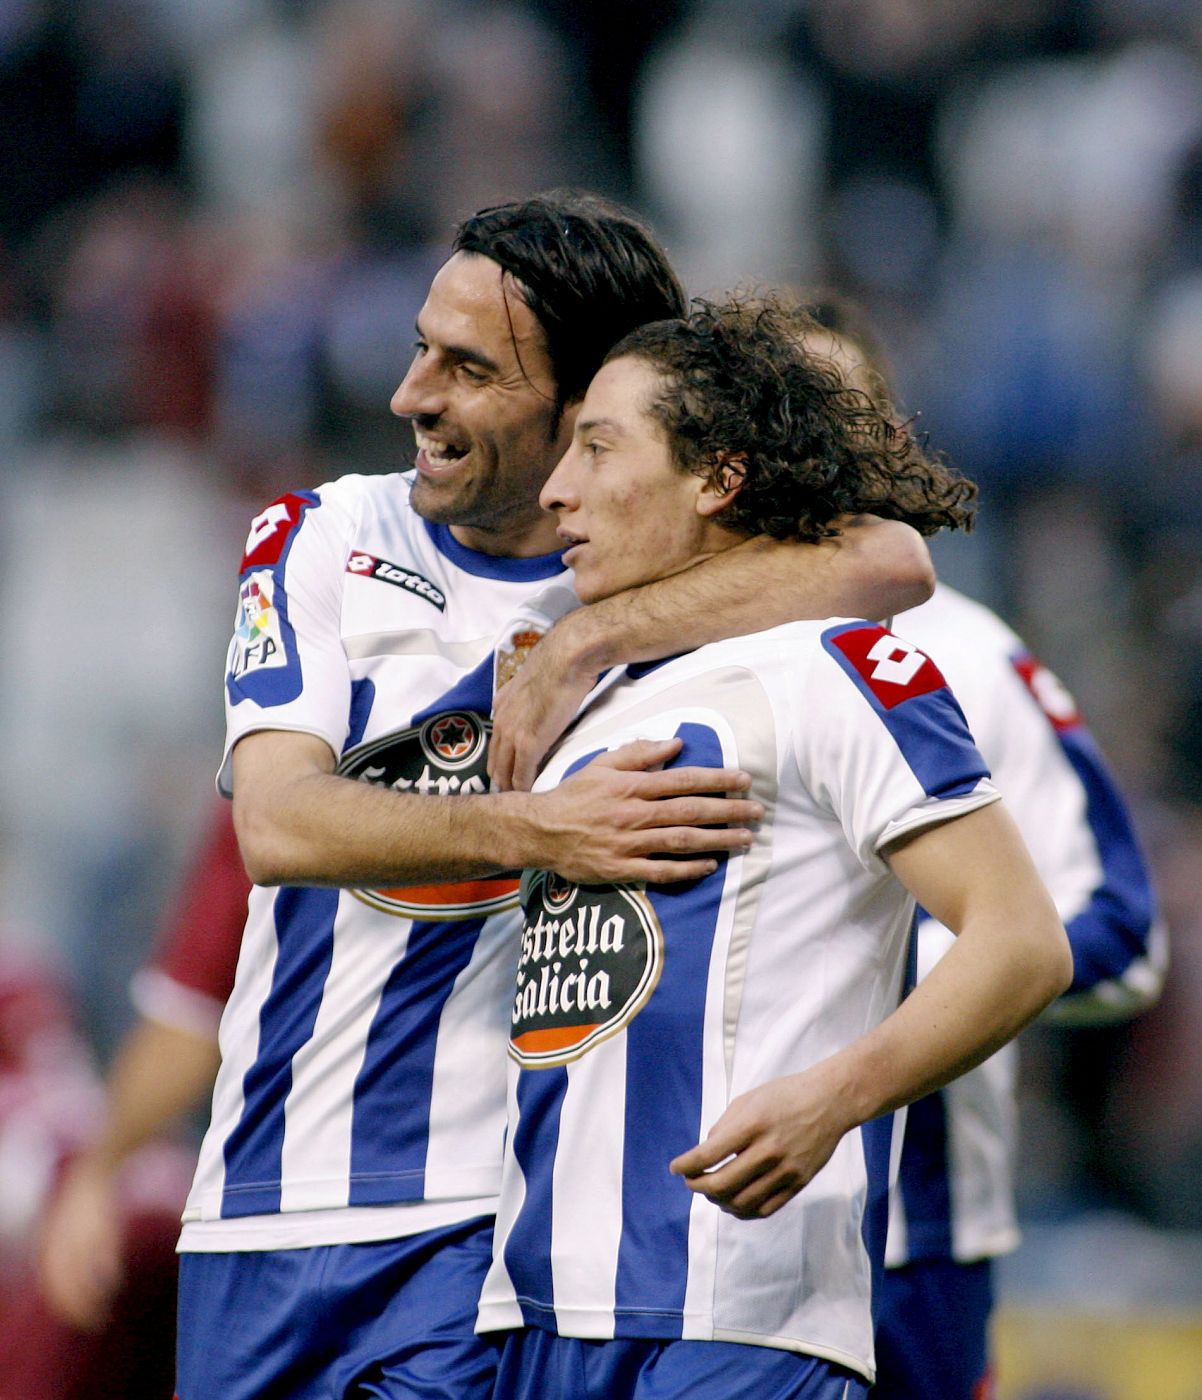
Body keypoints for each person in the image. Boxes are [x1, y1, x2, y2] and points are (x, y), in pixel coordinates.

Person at [174, 192, 937, 1400]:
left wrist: (588, 640)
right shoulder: (320, 534)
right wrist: (538, 826)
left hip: (487, 1233)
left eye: (467, 367)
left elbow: (893, 557)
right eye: (422, 345)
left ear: (586, 405)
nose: (412, 393)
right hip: (257, 1201)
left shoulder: (662, 588)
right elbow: (278, 822)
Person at [476, 292, 1074, 1399]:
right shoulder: (580, 691)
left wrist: (836, 1094)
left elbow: (1022, 940)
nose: (556, 486)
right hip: (541, 1311)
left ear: (716, 476)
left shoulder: (837, 665)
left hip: (740, 1311)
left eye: (598, 447)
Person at [796, 294, 1166, 1400]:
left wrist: (906, 969)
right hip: (666, 1228)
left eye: (831, 411)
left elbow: (1121, 931)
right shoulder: (643, 648)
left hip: (911, 1233)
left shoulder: (963, 653)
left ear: (880, 439)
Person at [37, 799, 247, 1340]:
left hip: (320, 1219)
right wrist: (97, 1175)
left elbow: (189, 1022)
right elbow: (190, 1017)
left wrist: (95, 1176)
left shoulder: (279, 767)